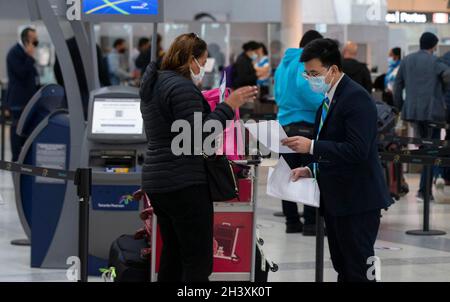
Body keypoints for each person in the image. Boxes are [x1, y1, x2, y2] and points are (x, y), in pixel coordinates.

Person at [139, 33, 258, 282]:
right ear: (191, 59)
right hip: (183, 182)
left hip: (158, 180)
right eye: (202, 62)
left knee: (172, 252)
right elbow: (197, 137)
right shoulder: (181, 88)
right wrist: (228, 105)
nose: (203, 68)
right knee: (197, 260)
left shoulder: (156, 84)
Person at [282, 38, 392, 282]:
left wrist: (311, 146)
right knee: (342, 266)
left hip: (358, 201)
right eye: (307, 74)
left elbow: (357, 150)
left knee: (359, 270)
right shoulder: (327, 101)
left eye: (314, 73)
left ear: (333, 69)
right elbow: (334, 148)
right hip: (337, 199)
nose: (310, 79)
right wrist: (311, 169)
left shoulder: (356, 98)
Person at [274, 30, 324, 235]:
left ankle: (292, 222)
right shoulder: (305, 62)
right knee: (308, 172)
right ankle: (311, 223)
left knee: (287, 174)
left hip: (283, 122)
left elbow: (277, 91)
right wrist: (324, 104)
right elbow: (305, 89)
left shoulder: (283, 64)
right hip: (304, 121)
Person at [394, 32, 450, 201]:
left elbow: (398, 85)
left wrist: (400, 107)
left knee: (422, 148)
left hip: (412, 112)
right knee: (431, 150)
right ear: (433, 46)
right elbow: (448, 76)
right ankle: (424, 191)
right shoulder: (436, 61)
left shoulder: (407, 60)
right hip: (433, 113)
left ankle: (423, 190)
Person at [54, 37, 111, 119]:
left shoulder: (65, 45)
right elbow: (101, 71)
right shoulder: (92, 45)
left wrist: (64, 85)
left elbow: (57, 71)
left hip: (70, 92)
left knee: (71, 121)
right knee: (90, 121)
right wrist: (108, 87)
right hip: (89, 91)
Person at [6, 27, 40, 162]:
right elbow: (21, 73)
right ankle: (16, 159)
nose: (35, 44)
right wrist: (30, 57)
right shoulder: (14, 53)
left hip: (29, 99)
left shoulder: (26, 54)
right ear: (26, 40)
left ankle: (24, 157)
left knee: (27, 129)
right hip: (18, 100)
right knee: (17, 129)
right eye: (33, 40)